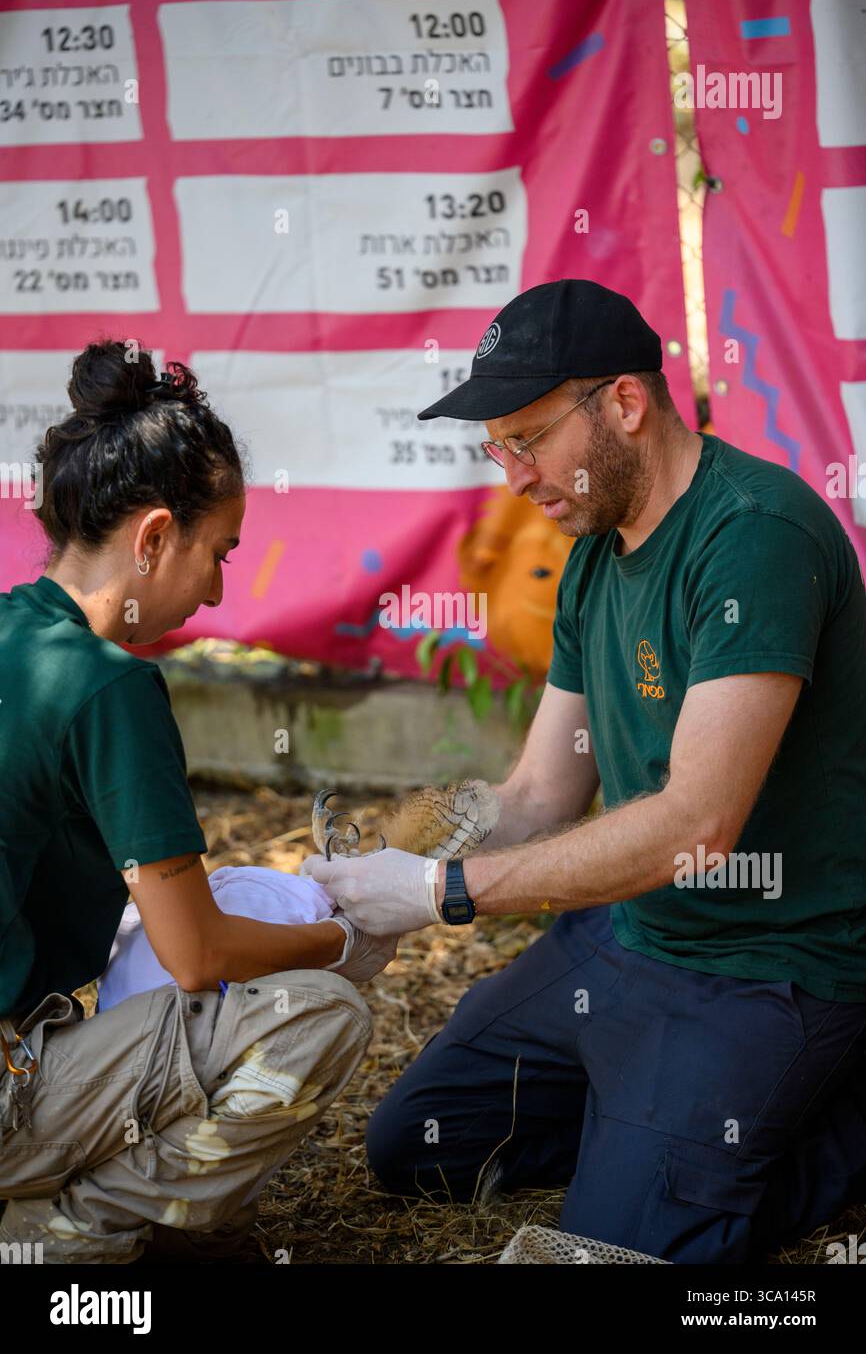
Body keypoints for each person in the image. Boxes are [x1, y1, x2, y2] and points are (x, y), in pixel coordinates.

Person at [302, 279, 866, 1264]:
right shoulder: (595, 556)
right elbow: (533, 797)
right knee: (416, 1147)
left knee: (612, 1251)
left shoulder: (753, 538)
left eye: (525, 438)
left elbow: (696, 827)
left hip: (768, 963)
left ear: (623, 403)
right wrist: (367, 894)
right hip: (628, 933)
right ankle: (647, 1117)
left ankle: (813, 1118)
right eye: (495, 447)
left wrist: (440, 895)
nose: (511, 474)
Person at [0, 340, 396, 1265]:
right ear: (152, 537)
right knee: (322, 1018)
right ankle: (67, 1236)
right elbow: (197, 954)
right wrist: (348, 942)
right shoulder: (106, 687)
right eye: (216, 553)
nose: (218, 588)